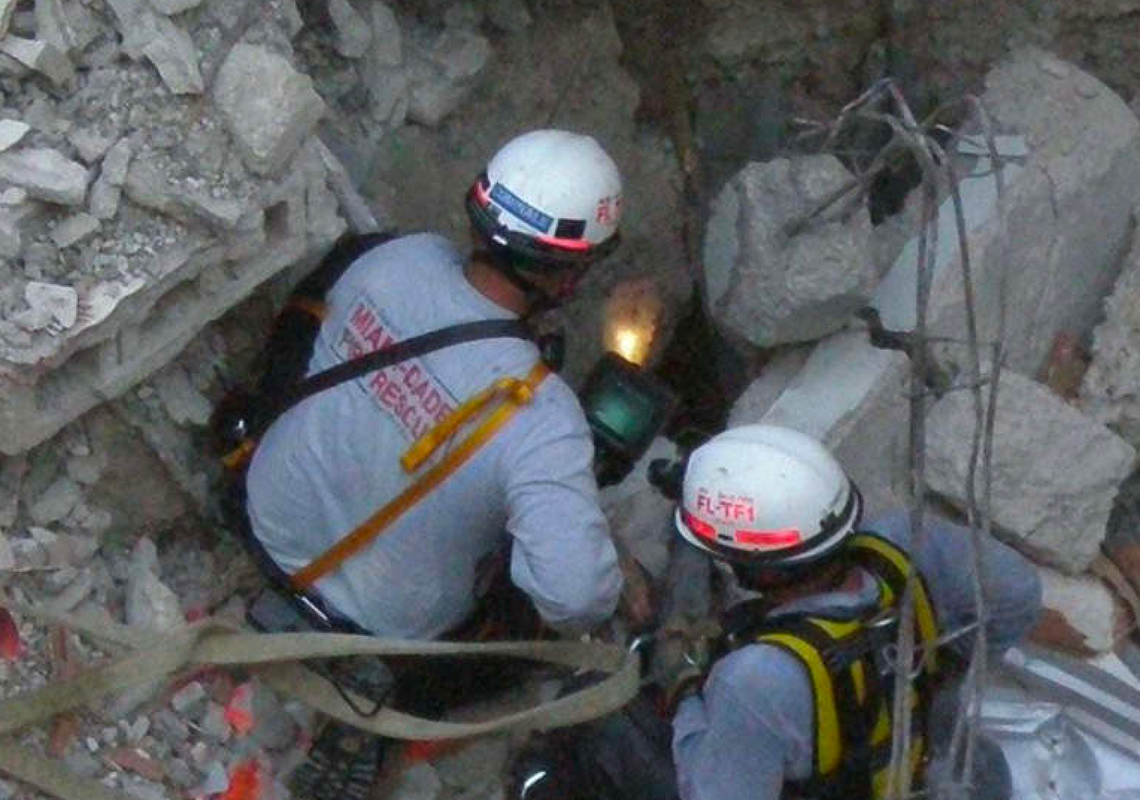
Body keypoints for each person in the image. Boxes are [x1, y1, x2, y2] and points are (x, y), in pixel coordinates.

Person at [236, 130, 628, 793]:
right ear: (573, 272)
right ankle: (385, 709)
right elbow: (575, 597)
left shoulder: (393, 255)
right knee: (529, 609)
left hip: (264, 519)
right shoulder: (544, 419)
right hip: (375, 628)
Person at [512, 424, 1042, 800]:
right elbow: (1018, 594)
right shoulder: (904, 542)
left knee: (590, 713)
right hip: (918, 765)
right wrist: (938, 684)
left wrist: (686, 690)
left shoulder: (757, 679)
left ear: (759, 571)